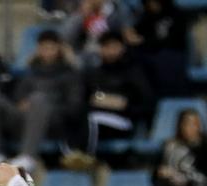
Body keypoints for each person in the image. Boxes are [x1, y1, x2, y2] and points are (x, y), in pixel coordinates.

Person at [0, 30, 81, 173]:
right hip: (24, 118)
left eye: (51, 48)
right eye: (44, 48)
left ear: (59, 49)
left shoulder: (70, 74)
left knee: (38, 99)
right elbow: (16, 99)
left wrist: (44, 105)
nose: (48, 52)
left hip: (52, 122)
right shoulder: (30, 72)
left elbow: (74, 107)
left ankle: (28, 156)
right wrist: (23, 104)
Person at [69, 30, 153, 163]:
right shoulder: (94, 73)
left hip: (123, 121)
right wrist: (105, 100)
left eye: (114, 46)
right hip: (97, 120)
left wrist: (124, 105)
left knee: (92, 118)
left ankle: (86, 158)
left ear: (122, 48)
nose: (110, 51)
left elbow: (147, 102)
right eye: (106, 46)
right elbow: (85, 99)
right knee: (74, 115)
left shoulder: (133, 72)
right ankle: (70, 156)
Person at [124, 0, 190, 98]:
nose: (152, 6)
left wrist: (144, 41)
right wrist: (130, 33)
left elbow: (174, 40)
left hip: (171, 54)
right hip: (150, 55)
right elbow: (137, 31)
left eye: (155, 3)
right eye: (149, 3)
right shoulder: (148, 16)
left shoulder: (177, 15)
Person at [64, 0, 134, 59]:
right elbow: (68, 37)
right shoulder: (81, 12)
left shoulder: (117, 9)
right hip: (87, 53)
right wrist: (81, 16)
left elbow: (128, 34)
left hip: (113, 49)